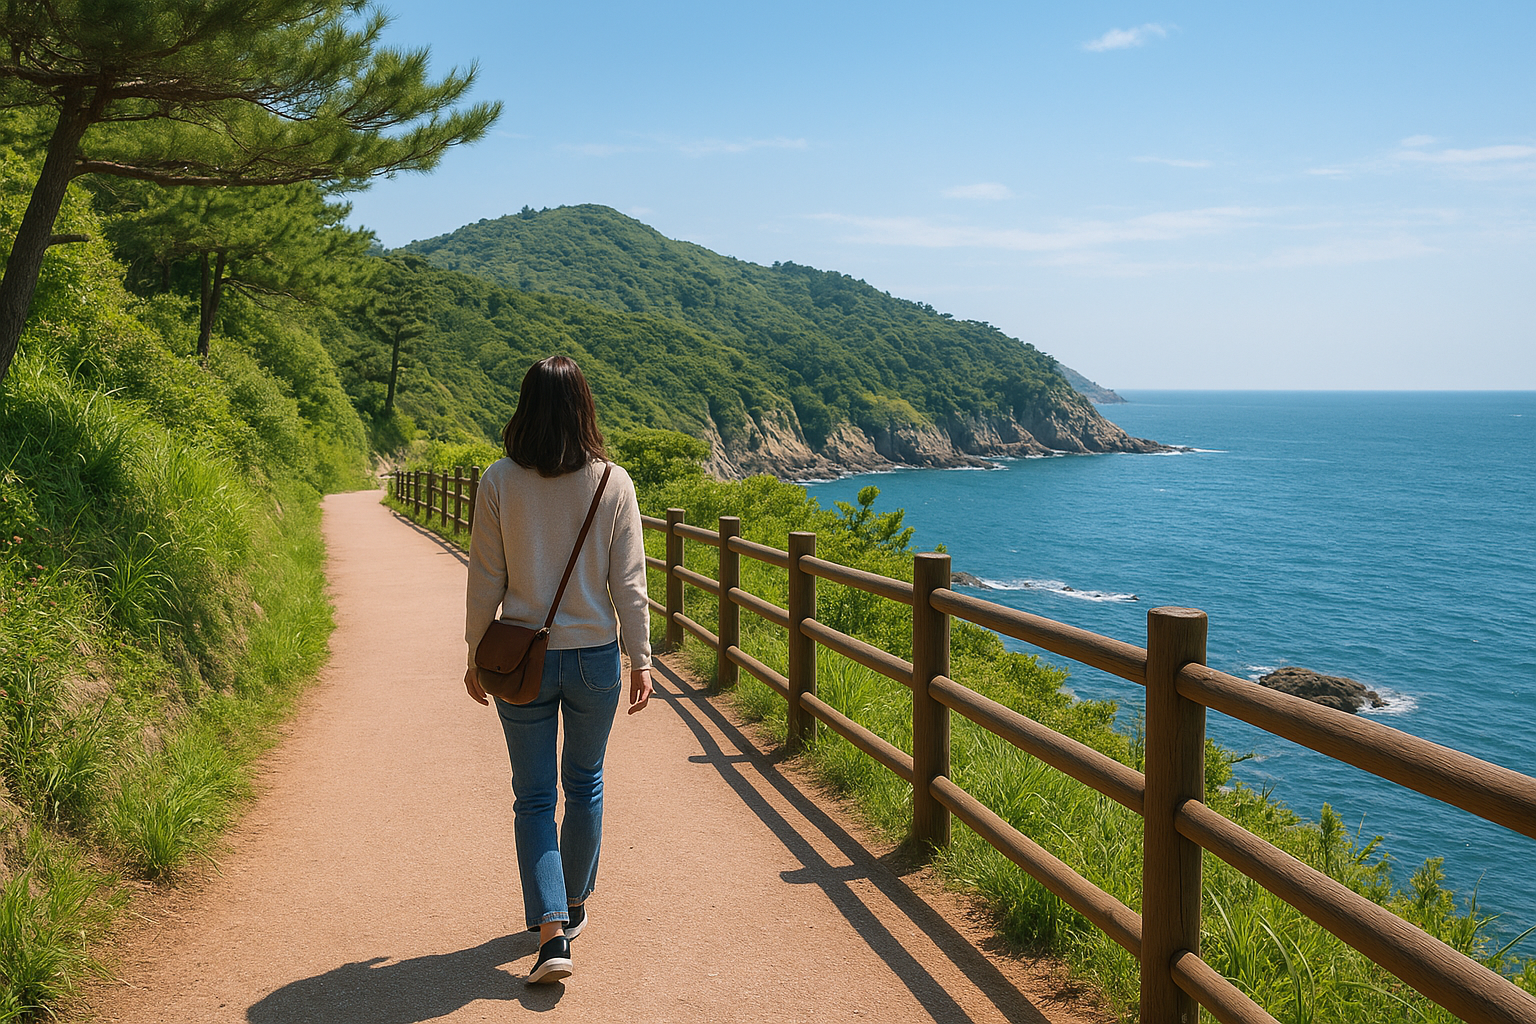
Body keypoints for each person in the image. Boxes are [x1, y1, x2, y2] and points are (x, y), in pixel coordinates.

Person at [464, 355, 653, 985]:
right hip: (596, 657)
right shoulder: (613, 484)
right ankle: (571, 907)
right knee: (586, 782)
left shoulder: (498, 481)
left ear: (525, 408)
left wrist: (473, 654)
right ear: (584, 408)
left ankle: (551, 930)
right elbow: (630, 584)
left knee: (535, 795)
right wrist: (641, 659)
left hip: (524, 661)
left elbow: (485, 580)